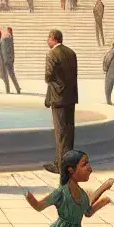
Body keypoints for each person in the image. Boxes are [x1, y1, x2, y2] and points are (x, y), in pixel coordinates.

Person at [43, 29, 78, 173]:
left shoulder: (52, 54)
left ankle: (61, 166)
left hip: (58, 98)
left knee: (60, 133)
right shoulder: (71, 53)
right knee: (69, 133)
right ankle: (66, 162)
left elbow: (48, 76)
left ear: (53, 38)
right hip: (71, 97)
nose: (47, 41)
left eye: (48, 38)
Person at [0, 26, 22, 95]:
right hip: (10, 59)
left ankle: (14, 89)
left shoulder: (6, 38)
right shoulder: (10, 38)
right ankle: (15, 88)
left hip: (6, 59)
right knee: (11, 75)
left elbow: (4, 49)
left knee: (9, 75)